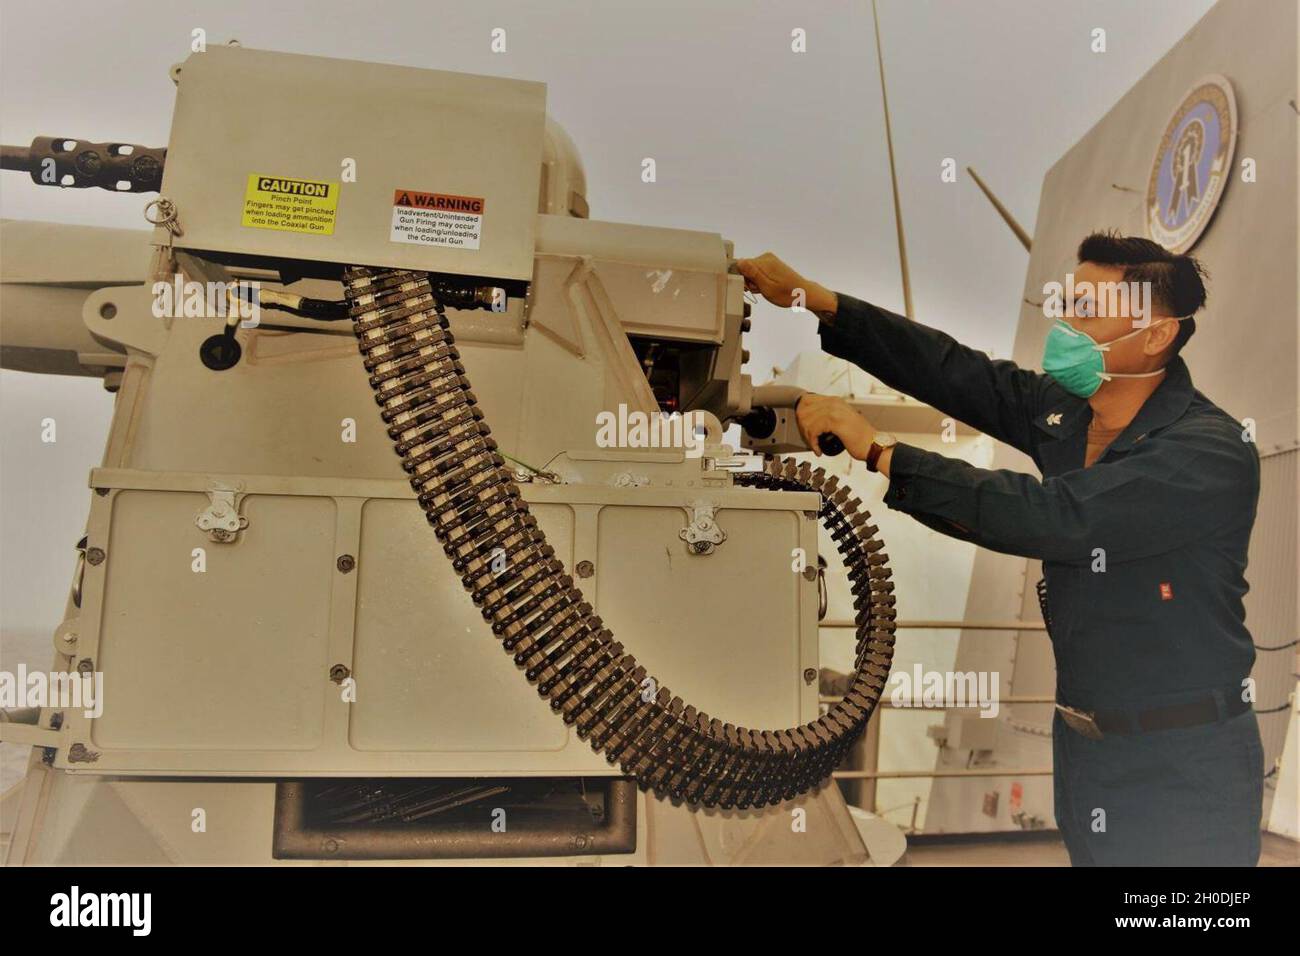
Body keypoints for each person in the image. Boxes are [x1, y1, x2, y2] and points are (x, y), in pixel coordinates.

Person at [737, 233, 1263, 865]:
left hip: (1183, 762)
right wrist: (817, 300)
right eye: (1066, 304)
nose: (1066, 324)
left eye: (1087, 311)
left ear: (1156, 334)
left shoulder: (1207, 452)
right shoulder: (1071, 413)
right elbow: (960, 372)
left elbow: (1058, 518)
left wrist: (879, 451)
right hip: (1086, 749)